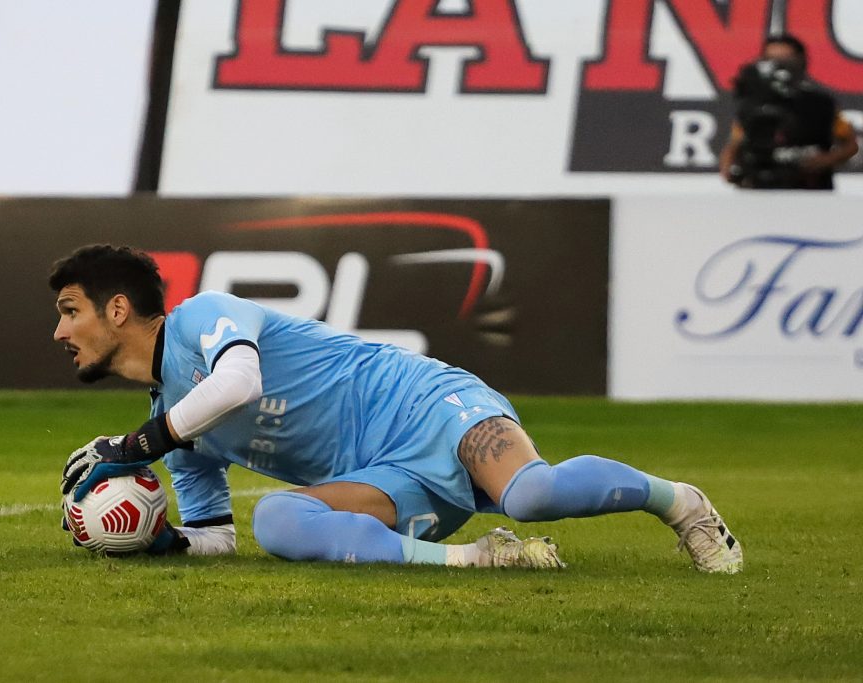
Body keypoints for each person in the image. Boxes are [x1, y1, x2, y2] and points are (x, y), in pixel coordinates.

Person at [52, 244, 743, 573]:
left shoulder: (206, 314)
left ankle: (679, 501)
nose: (60, 331)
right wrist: (164, 537)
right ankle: (476, 559)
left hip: (429, 405)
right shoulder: (180, 425)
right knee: (279, 517)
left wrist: (141, 445)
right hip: (389, 479)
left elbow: (239, 383)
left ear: (119, 309)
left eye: (70, 311)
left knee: (534, 495)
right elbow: (220, 537)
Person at [719, 34, 859, 190]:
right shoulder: (753, 104)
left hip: (810, 190)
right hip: (760, 189)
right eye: (771, 59)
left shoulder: (820, 103)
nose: (778, 66)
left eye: (785, 59)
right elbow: (736, 142)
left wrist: (825, 160)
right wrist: (729, 167)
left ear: (801, 60)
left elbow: (850, 145)